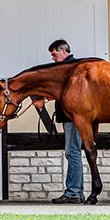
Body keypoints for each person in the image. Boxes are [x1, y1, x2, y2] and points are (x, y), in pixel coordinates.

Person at [33, 39, 84, 204]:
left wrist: (44, 99)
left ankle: (74, 192)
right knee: (72, 152)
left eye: (54, 54)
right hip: (69, 116)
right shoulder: (69, 68)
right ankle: (75, 191)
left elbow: (63, 90)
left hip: (72, 116)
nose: (53, 58)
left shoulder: (70, 68)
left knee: (72, 152)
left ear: (63, 50)